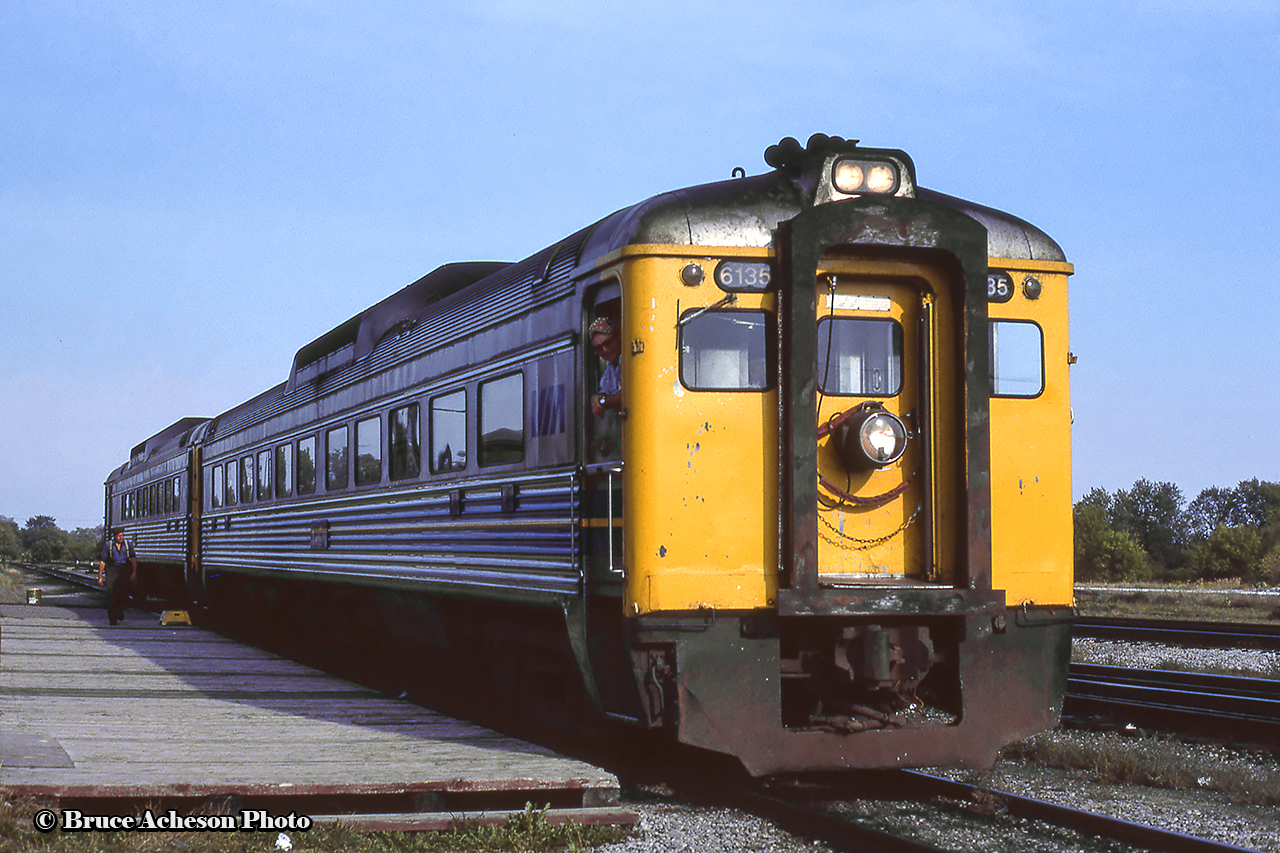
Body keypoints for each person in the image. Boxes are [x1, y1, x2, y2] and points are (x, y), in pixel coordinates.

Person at [98, 527, 136, 625]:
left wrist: (134, 572)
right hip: (112, 570)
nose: (121, 537)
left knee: (123, 594)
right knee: (112, 595)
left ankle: (119, 610)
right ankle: (113, 618)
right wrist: (100, 576)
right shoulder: (108, 545)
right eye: (119, 535)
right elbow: (103, 561)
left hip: (124, 570)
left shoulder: (128, 545)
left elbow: (133, 559)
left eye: (122, 535)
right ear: (114, 536)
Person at [589, 316, 623, 419]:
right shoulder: (610, 370)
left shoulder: (631, 360)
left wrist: (603, 402)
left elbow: (630, 395)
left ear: (619, 337)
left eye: (607, 343)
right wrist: (596, 399)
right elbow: (604, 391)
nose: (605, 350)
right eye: (599, 348)